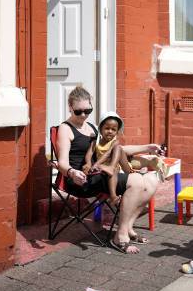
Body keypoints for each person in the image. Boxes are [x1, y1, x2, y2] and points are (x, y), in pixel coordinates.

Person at [56, 86, 162, 254]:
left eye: (88, 110)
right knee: (135, 181)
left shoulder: (92, 127)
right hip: (82, 179)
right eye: (79, 111)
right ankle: (119, 237)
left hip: (100, 174)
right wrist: (72, 172)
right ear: (70, 107)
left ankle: (128, 227)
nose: (83, 115)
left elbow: (115, 149)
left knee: (152, 180)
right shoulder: (65, 128)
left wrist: (148, 147)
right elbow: (62, 163)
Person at [81, 111, 126, 206]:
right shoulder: (95, 142)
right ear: (100, 129)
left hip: (113, 167)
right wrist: (88, 163)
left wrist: (96, 164)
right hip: (101, 168)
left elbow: (107, 154)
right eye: (107, 128)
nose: (110, 131)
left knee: (117, 151)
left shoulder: (115, 142)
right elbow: (89, 154)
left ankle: (113, 196)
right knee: (101, 170)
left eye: (113, 129)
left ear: (117, 132)